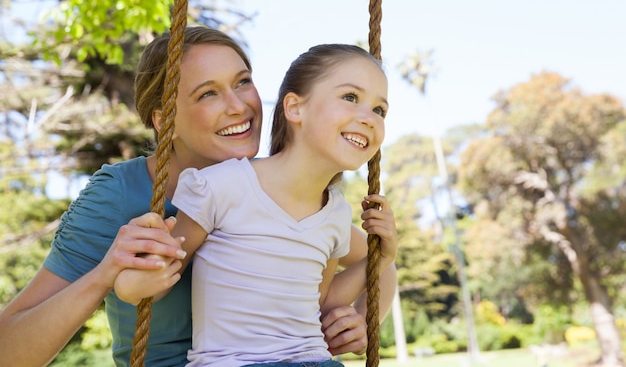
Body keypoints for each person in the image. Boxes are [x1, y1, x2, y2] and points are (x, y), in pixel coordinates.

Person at [0, 26, 397, 367]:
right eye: (208, 94)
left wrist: (361, 319)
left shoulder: (273, 188)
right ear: (164, 120)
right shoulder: (121, 193)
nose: (238, 105)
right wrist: (105, 274)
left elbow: (372, 260)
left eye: (243, 82)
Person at [115, 43, 397, 367]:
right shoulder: (224, 185)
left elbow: (315, 305)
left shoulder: (335, 213)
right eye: (350, 98)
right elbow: (151, 282)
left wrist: (378, 259)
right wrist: (131, 281)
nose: (369, 118)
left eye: (380, 110)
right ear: (295, 108)